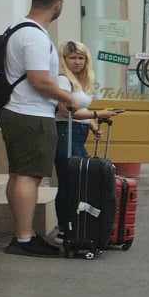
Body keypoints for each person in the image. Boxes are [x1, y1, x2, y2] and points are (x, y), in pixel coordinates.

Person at [0, 0, 92, 257]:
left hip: (18, 111)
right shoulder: (35, 37)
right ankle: (25, 239)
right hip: (31, 114)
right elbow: (39, 80)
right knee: (29, 176)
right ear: (58, 4)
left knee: (19, 175)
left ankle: (22, 233)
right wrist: (69, 98)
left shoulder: (18, 30)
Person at [51, 40, 117, 248]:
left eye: (81, 58)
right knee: (69, 182)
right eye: (72, 58)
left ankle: (80, 226)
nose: (77, 62)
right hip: (64, 133)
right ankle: (64, 228)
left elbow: (80, 114)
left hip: (76, 133)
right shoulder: (63, 80)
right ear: (64, 59)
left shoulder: (82, 81)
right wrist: (98, 114)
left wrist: (92, 124)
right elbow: (66, 111)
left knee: (79, 181)